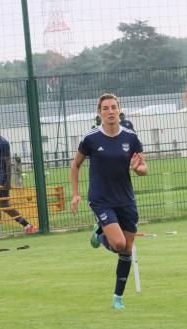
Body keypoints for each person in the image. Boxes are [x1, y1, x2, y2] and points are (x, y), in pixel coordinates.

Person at [70, 93, 147, 310]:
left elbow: (143, 167)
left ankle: (117, 298)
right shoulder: (91, 138)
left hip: (125, 200)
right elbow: (75, 165)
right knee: (119, 243)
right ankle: (100, 232)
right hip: (101, 200)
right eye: (106, 108)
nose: (110, 112)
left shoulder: (131, 137)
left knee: (127, 249)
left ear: (119, 110)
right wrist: (76, 194)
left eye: (114, 107)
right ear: (99, 113)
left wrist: (138, 169)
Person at [0, 119, 36, 238]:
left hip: (2, 179)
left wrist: (8, 181)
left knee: (3, 205)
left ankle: (27, 226)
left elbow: (7, 163)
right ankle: (25, 226)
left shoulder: (3, 143)